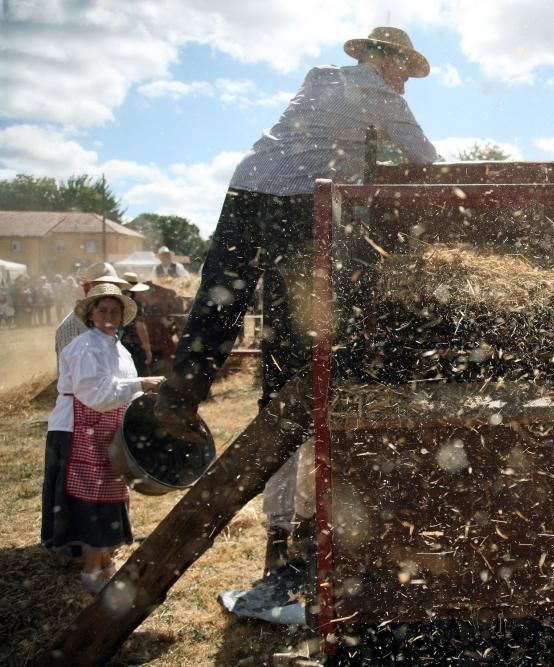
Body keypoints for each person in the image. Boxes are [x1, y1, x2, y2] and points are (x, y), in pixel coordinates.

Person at [154, 26, 440, 576]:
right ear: (386, 61)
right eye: (404, 69)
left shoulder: (321, 78)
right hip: (296, 205)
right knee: (294, 330)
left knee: (220, 301)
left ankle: (179, 397)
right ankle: (284, 406)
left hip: (246, 191)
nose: (406, 81)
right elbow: (426, 160)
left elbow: (345, 147)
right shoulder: (378, 93)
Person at [44, 283, 164, 592]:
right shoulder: (86, 346)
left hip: (104, 431)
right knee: (90, 502)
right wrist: (140, 384)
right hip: (77, 430)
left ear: (123, 316)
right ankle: (91, 571)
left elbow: (120, 390)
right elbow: (95, 394)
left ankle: (106, 560)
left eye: (115, 310)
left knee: (109, 495)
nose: (109, 315)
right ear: (91, 315)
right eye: (103, 310)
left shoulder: (118, 348)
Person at [120, 272, 154, 375]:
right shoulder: (135, 304)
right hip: (134, 346)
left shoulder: (116, 301)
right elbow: (140, 326)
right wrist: (147, 349)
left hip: (118, 344)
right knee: (141, 374)